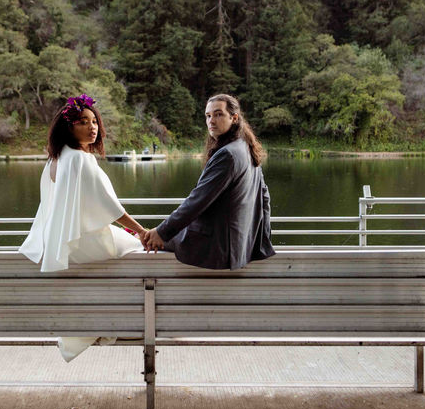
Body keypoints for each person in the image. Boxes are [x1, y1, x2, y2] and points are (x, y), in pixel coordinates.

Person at [19, 94, 147, 361]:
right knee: (140, 251)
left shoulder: (58, 158)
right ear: (69, 127)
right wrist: (143, 232)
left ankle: (106, 323)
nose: (92, 127)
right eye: (82, 122)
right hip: (82, 242)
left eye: (94, 122)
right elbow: (112, 209)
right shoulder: (80, 159)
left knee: (120, 258)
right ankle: (129, 323)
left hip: (62, 243)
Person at [142, 94, 275, 269]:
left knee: (148, 240)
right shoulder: (244, 146)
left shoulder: (227, 154)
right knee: (156, 235)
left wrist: (161, 232)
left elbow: (196, 201)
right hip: (240, 245)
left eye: (219, 114)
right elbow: (264, 196)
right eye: (208, 116)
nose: (211, 120)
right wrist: (259, 241)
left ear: (234, 118)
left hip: (218, 248)